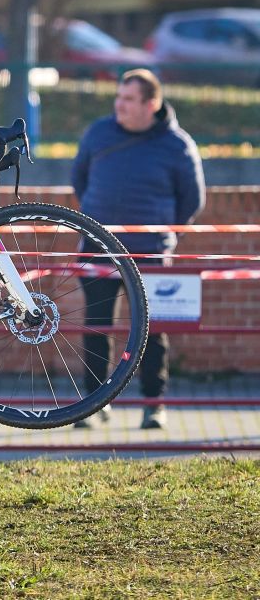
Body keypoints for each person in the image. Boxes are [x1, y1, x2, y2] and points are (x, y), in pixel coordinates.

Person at [71, 68, 205, 429]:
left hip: (150, 252)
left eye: (129, 99)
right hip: (98, 248)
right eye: (118, 97)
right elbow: (79, 178)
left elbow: (191, 201)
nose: (120, 105)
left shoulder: (177, 145)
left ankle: (153, 404)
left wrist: (158, 231)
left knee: (151, 329)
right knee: (96, 326)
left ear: (152, 104)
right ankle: (95, 403)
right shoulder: (99, 132)